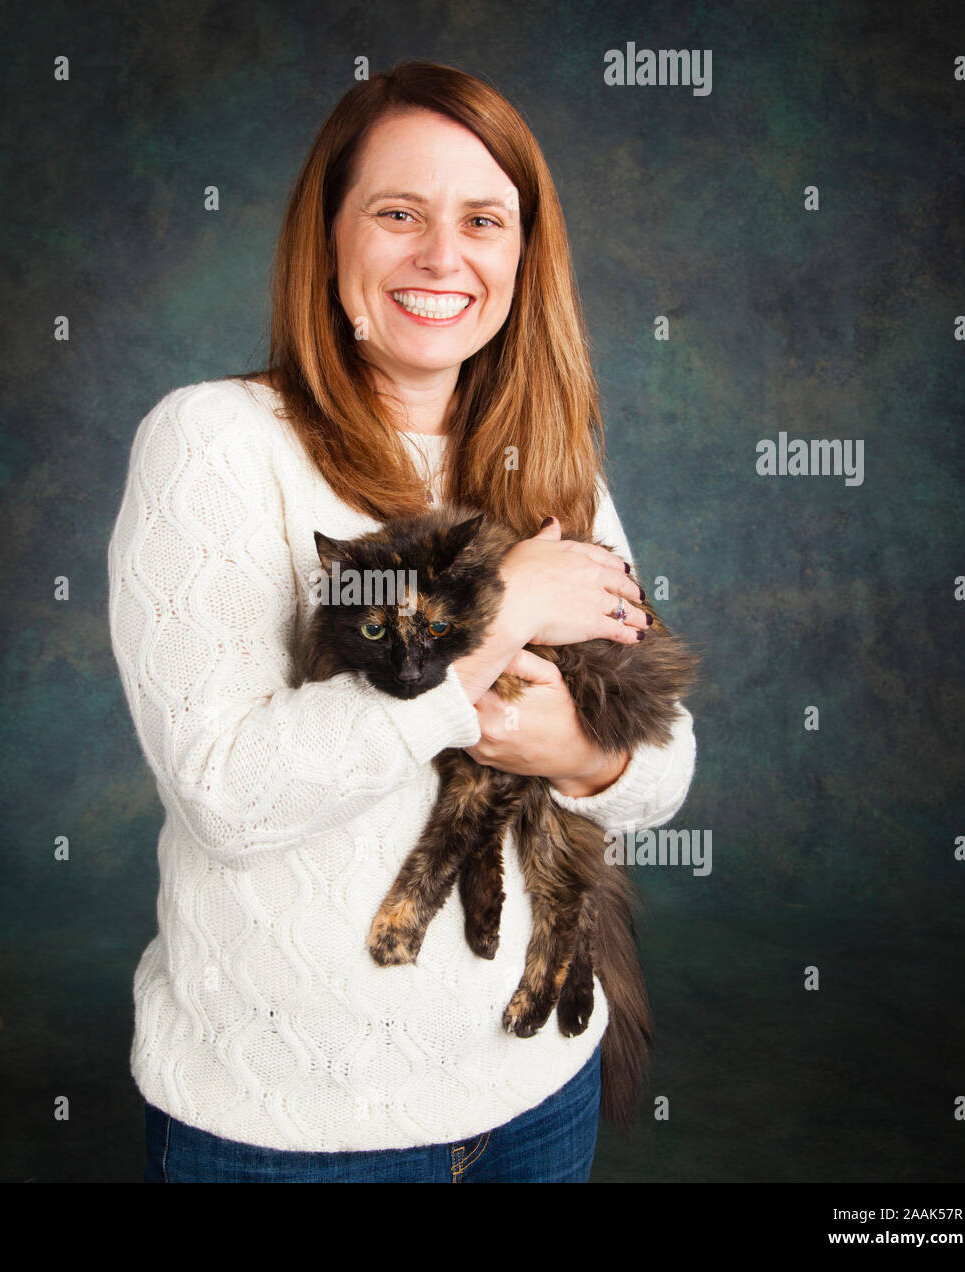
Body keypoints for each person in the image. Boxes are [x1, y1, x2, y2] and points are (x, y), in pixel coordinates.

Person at [108, 60, 697, 1183]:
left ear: (522, 259)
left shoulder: (552, 464)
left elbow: (664, 771)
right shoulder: (215, 444)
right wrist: (503, 615)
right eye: (397, 213)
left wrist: (573, 749)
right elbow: (225, 795)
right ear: (327, 243)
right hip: (295, 1126)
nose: (442, 255)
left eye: (483, 219)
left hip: (534, 1085)